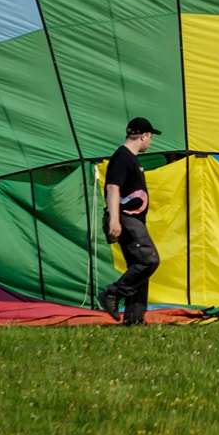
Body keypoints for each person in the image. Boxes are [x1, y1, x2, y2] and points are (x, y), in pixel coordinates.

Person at [98, 117, 160, 325]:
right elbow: (112, 187)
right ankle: (113, 294)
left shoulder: (130, 158)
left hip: (133, 219)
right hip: (126, 218)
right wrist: (115, 219)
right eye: (150, 137)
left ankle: (135, 319)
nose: (150, 142)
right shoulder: (122, 157)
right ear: (143, 136)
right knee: (149, 260)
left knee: (138, 265)